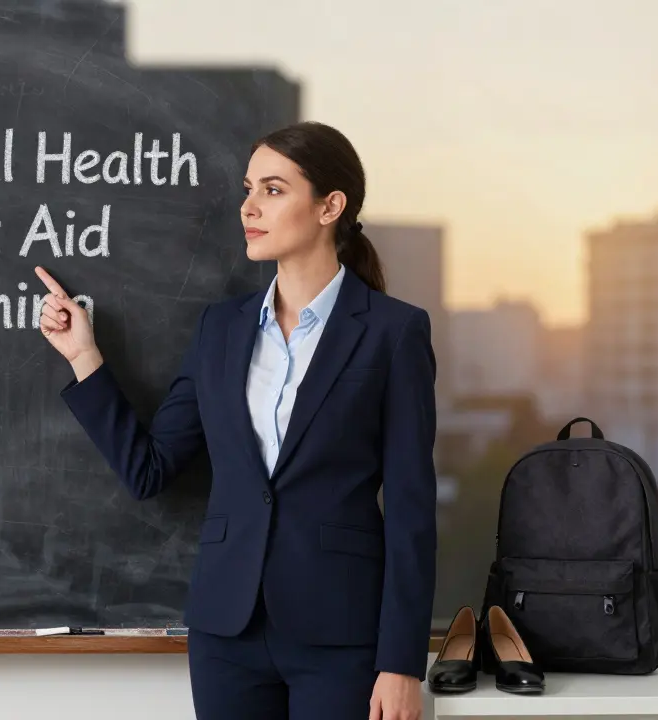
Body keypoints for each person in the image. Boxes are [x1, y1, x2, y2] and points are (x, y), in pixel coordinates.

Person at [35, 121, 436, 720]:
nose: (248, 207)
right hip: (227, 632)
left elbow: (411, 508)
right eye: (248, 189)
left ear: (330, 205)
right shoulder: (220, 329)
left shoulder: (394, 332)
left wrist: (401, 661)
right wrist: (83, 357)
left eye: (272, 190)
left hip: (341, 632)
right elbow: (150, 470)